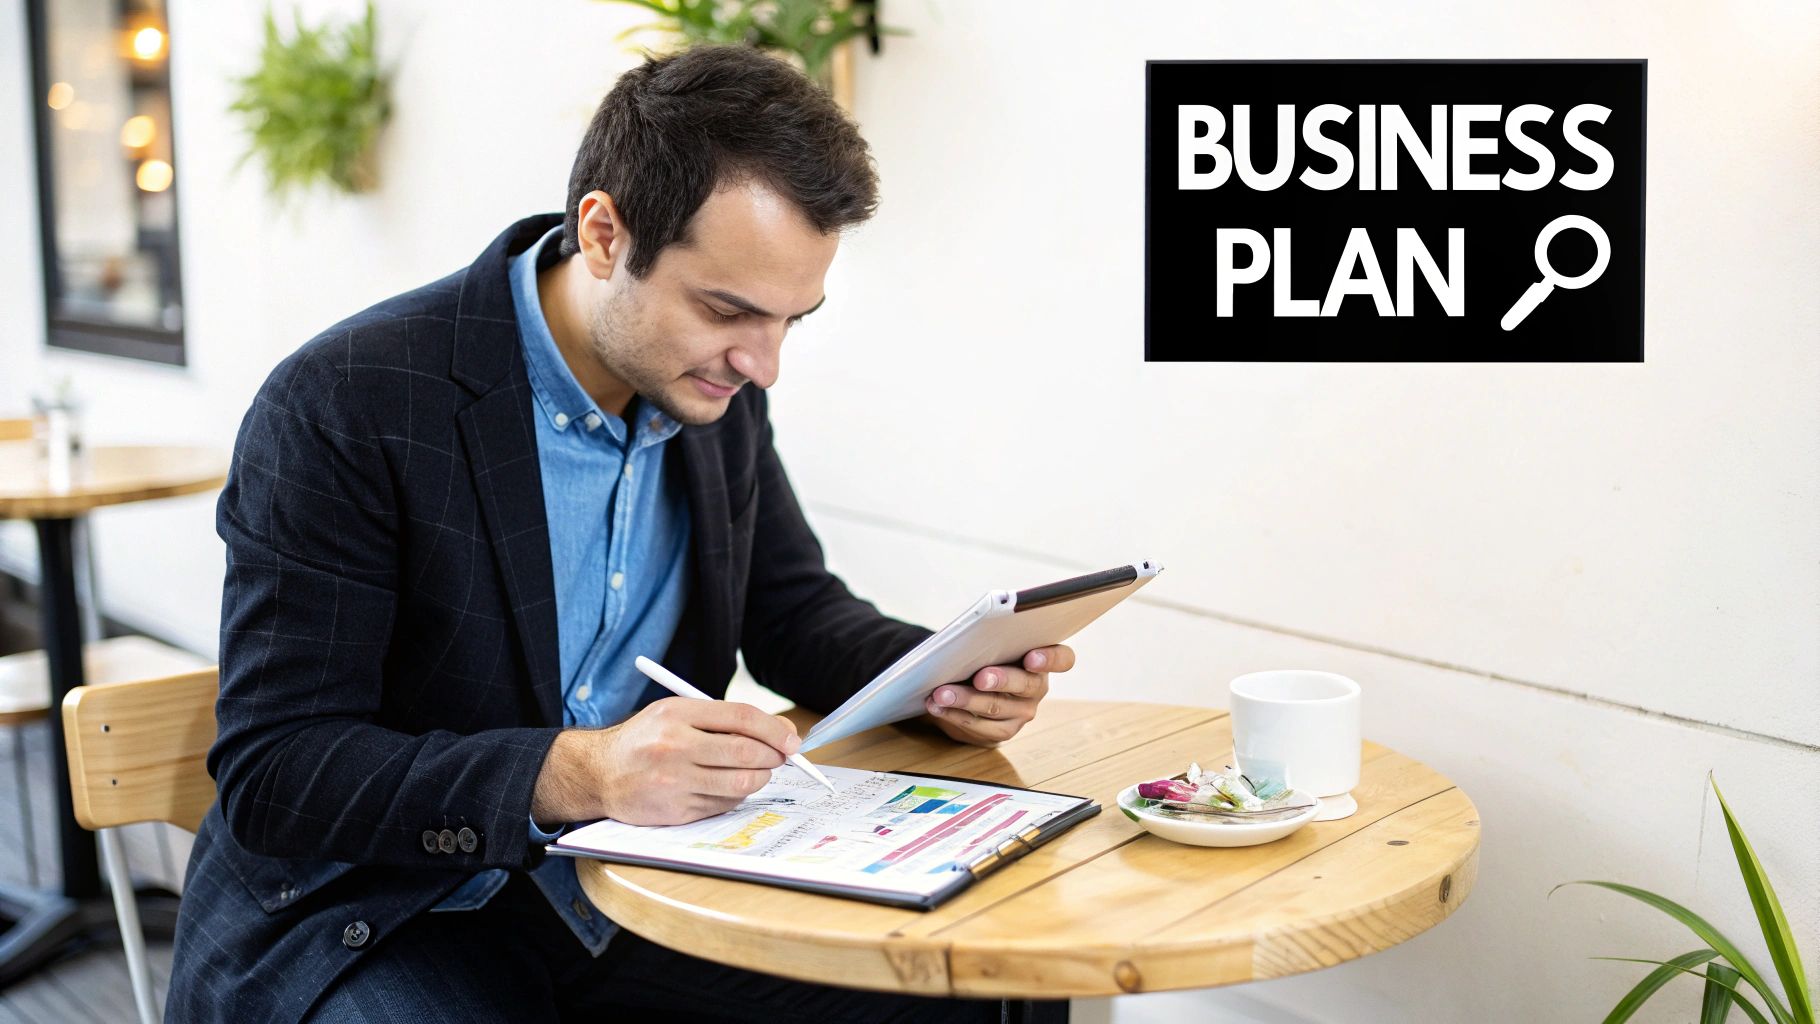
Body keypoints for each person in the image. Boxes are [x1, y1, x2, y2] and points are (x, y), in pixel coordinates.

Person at [166, 44, 1076, 1024]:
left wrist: (944, 671)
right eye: (727, 309)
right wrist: (583, 769)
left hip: (621, 891)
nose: (761, 364)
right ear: (603, 234)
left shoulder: (706, 388)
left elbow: (788, 610)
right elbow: (280, 770)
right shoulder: (349, 401)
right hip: (383, 913)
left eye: (790, 321)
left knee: (979, 985)